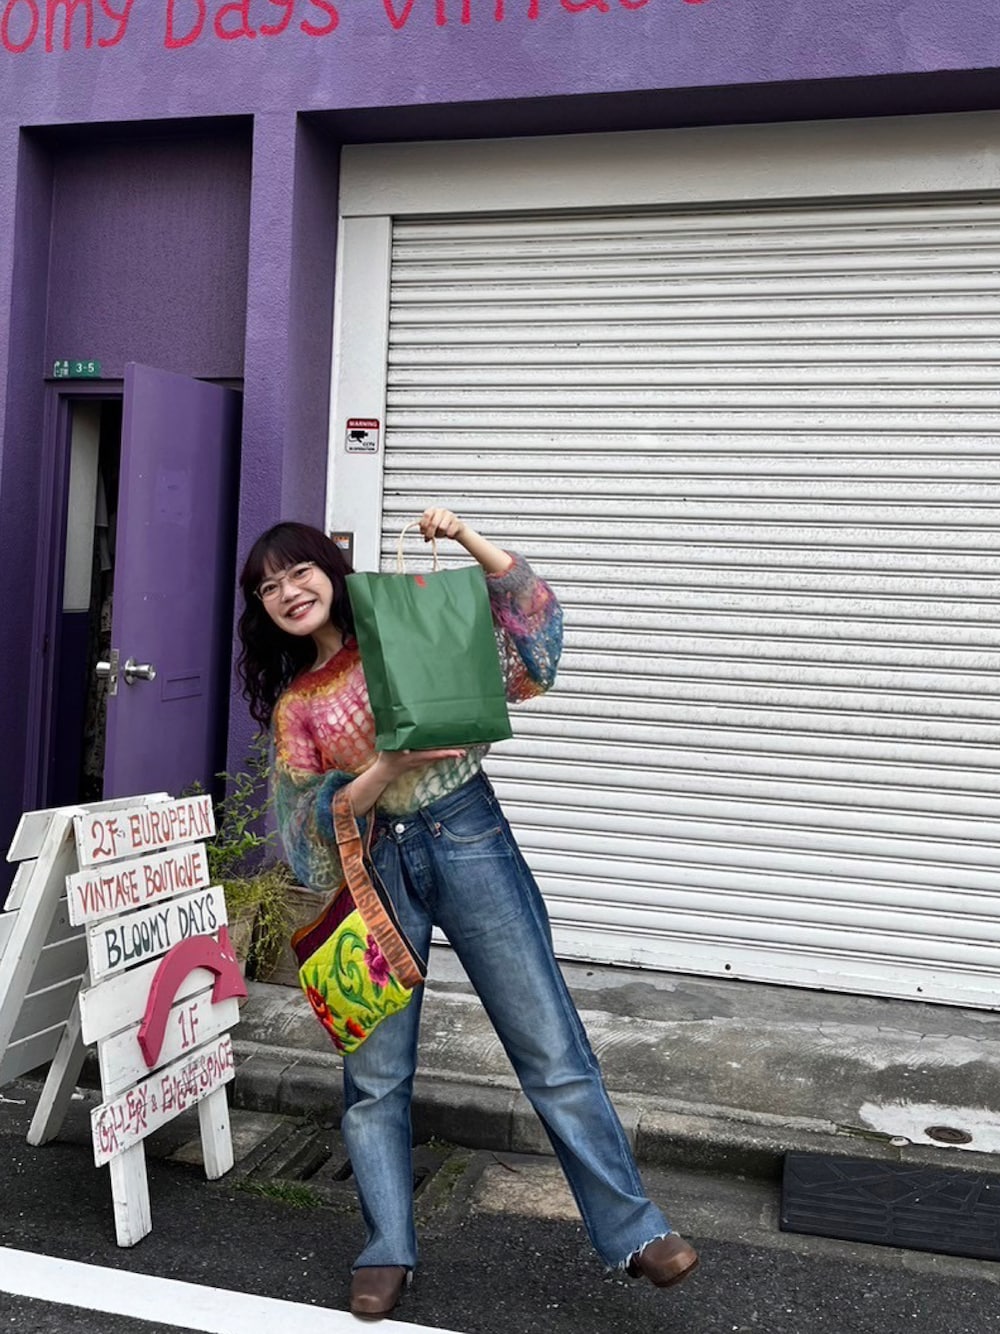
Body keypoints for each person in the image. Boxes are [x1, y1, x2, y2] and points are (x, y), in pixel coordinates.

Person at [236, 508, 699, 1318]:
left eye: (298, 571)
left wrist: (465, 539)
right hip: (375, 868)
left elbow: (533, 639)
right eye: (268, 587)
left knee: (548, 1043)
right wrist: (387, 766)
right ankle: (387, 1247)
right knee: (376, 1075)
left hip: (469, 834)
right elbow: (308, 837)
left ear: (329, 572)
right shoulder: (298, 706)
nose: (288, 592)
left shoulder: (406, 629)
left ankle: (636, 1231)